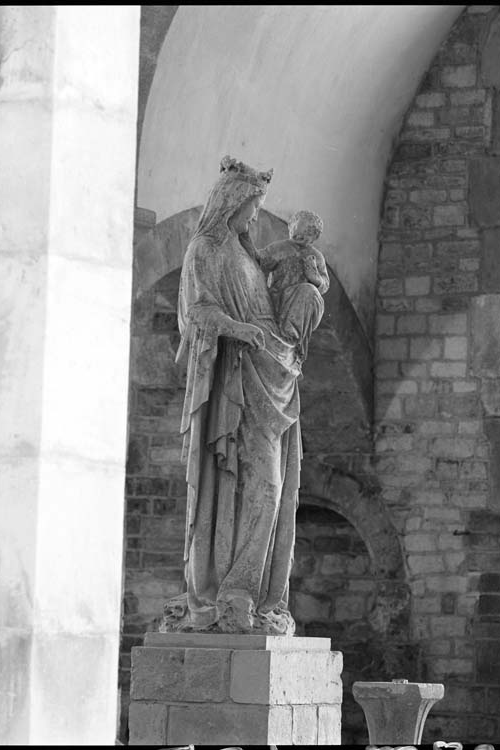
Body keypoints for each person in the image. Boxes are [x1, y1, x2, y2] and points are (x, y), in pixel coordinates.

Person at [161, 155, 304, 635]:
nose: (255, 217)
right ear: (231, 202)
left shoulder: (247, 254)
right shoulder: (205, 249)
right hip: (234, 382)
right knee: (254, 484)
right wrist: (240, 329)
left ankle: (254, 593)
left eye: (259, 207)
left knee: (273, 486)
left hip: (271, 376)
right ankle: (229, 592)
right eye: (251, 206)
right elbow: (198, 312)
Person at [257, 210, 329, 364]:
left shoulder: (316, 257)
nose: (299, 235)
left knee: (309, 291)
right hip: (279, 299)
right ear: (291, 228)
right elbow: (259, 263)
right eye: (297, 229)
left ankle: (292, 339)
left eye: (307, 232)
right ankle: (285, 341)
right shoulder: (279, 248)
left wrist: (315, 278)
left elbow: (324, 284)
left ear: (315, 236)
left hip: (302, 305)